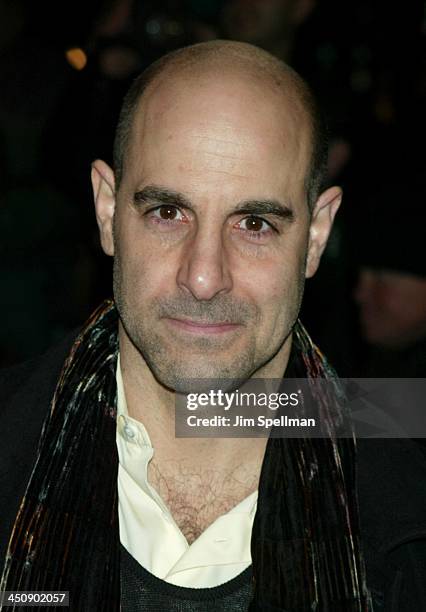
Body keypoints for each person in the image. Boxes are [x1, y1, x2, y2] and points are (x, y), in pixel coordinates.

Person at [1, 40, 425, 611]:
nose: (203, 277)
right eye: (167, 213)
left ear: (317, 236)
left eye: (254, 223)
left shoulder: (404, 498)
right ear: (107, 210)